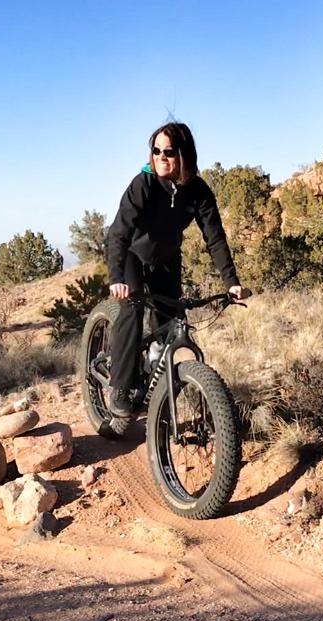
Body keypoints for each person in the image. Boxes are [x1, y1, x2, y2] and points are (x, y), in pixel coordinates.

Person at [103, 122, 250, 418]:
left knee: (170, 321)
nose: (160, 157)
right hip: (132, 252)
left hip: (167, 258)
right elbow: (119, 233)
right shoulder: (142, 184)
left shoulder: (198, 191)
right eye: (155, 150)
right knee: (131, 309)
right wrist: (117, 278)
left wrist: (231, 281)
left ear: (183, 155)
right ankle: (120, 386)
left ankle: (153, 381)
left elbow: (215, 238)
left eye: (167, 151)